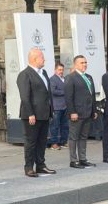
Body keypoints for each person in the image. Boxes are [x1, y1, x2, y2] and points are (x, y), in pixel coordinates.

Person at [16, 48, 55, 177]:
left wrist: (51, 110)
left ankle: (41, 165)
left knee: (42, 141)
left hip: (44, 113)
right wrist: (30, 113)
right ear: (34, 59)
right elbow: (25, 96)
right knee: (31, 142)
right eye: (42, 57)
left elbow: (47, 94)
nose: (44, 59)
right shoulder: (25, 74)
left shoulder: (43, 73)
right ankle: (28, 167)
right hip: (32, 115)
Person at [64, 55, 97, 168]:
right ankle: (74, 160)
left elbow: (92, 95)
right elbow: (69, 97)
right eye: (82, 63)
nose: (84, 64)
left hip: (87, 112)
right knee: (74, 137)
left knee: (83, 136)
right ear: (75, 64)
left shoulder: (89, 77)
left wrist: (94, 110)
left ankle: (83, 158)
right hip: (76, 113)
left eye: (85, 62)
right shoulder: (71, 77)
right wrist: (72, 111)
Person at [49, 62, 68, 150]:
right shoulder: (52, 79)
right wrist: (65, 92)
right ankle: (54, 143)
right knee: (55, 126)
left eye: (62, 70)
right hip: (56, 107)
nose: (61, 71)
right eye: (59, 70)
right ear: (55, 70)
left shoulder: (64, 78)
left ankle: (64, 142)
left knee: (65, 125)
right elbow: (53, 91)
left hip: (65, 106)